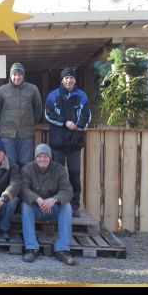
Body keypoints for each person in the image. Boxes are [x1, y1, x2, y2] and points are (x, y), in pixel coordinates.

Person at [44, 67, 91, 216]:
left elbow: (87, 115)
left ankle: (74, 205)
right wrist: (65, 122)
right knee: (57, 173)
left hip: (74, 142)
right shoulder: (53, 95)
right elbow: (48, 114)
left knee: (74, 173)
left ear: (75, 80)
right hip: (58, 142)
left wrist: (79, 126)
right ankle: (56, 203)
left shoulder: (82, 95)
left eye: (71, 78)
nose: (69, 80)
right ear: (62, 80)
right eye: (66, 78)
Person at [20, 143, 76, 265]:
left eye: (45, 156)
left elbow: (68, 191)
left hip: (53, 208)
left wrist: (53, 200)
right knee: (25, 206)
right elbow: (23, 189)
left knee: (67, 207)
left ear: (50, 157)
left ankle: (63, 249)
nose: (42, 159)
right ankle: (31, 248)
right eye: (39, 156)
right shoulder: (27, 169)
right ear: (35, 158)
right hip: (36, 208)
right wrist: (38, 199)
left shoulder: (59, 169)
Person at [0, 62, 42, 169]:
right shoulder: (1, 90)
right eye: (14, 74)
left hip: (26, 133)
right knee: (9, 163)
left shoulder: (33, 89)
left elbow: (38, 109)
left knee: (26, 163)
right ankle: (12, 181)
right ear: (10, 76)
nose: (17, 77)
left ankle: (24, 181)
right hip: (7, 135)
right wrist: (2, 125)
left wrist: (31, 123)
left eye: (19, 74)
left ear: (23, 76)